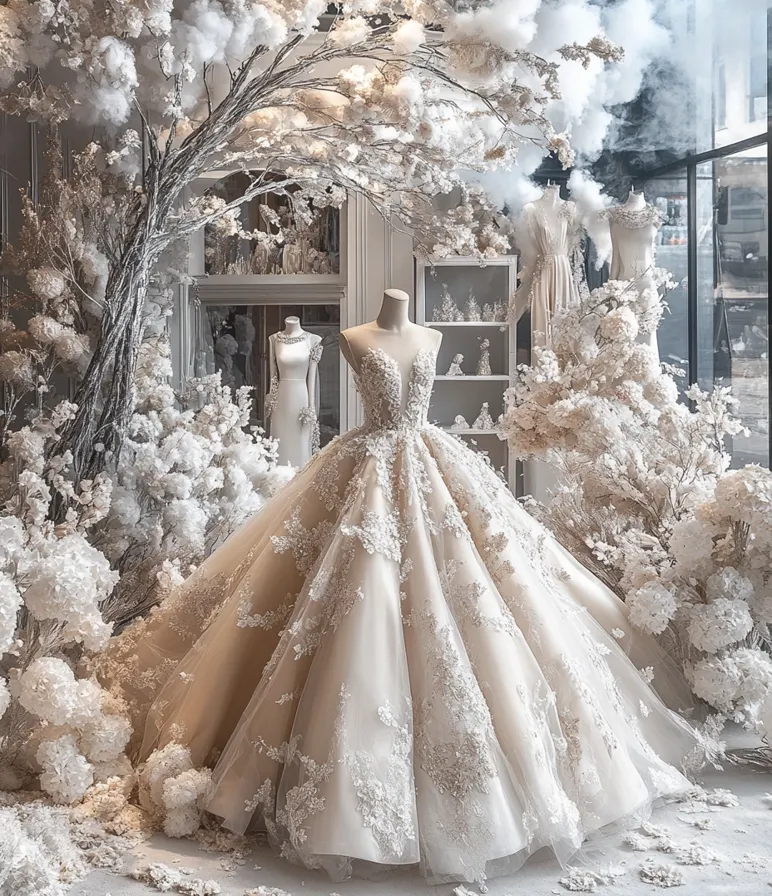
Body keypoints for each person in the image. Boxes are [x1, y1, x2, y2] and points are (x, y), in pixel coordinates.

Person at [101, 289, 701, 886]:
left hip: (431, 463)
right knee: (350, 598)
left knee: (487, 591)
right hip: (365, 469)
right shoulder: (353, 338)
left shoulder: (430, 337)